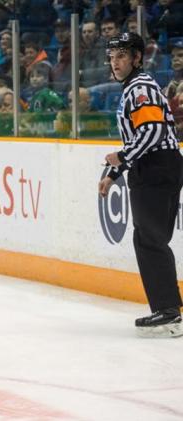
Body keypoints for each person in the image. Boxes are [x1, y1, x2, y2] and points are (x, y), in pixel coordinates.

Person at [98, 33, 183, 338]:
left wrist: (120, 157)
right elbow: (141, 139)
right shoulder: (134, 88)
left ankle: (169, 313)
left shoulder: (141, 88)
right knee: (148, 238)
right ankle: (167, 309)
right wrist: (114, 172)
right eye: (112, 57)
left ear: (136, 58)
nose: (115, 62)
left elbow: (152, 132)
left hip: (157, 169)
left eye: (122, 56)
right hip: (156, 167)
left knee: (150, 240)